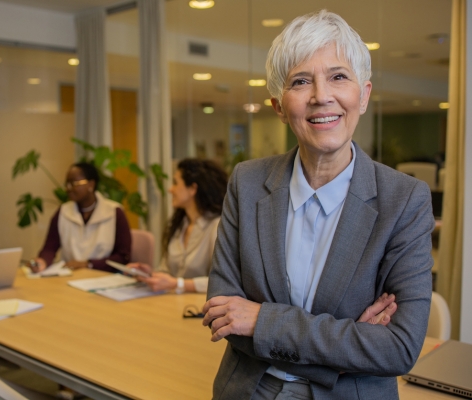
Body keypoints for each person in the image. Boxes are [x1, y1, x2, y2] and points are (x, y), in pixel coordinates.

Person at [202, 10, 434, 400]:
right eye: (301, 81)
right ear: (278, 106)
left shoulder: (405, 199)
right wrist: (348, 347)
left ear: (363, 94)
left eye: (339, 77)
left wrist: (263, 322)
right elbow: (224, 317)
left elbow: (399, 347)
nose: (321, 95)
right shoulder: (247, 182)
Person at [130, 158, 228, 293]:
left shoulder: (217, 227)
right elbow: (168, 273)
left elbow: (223, 282)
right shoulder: (179, 225)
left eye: (176, 183)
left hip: (199, 308)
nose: (171, 189)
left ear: (193, 189)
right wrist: (150, 274)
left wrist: (178, 284)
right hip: (173, 302)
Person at [29, 162, 131, 273]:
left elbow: (123, 257)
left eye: (74, 183)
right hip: (70, 276)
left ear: (91, 185)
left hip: (103, 276)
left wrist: (88, 264)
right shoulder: (63, 212)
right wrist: (42, 262)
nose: (68, 188)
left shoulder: (114, 212)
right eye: (67, 184)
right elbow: (49, 248)